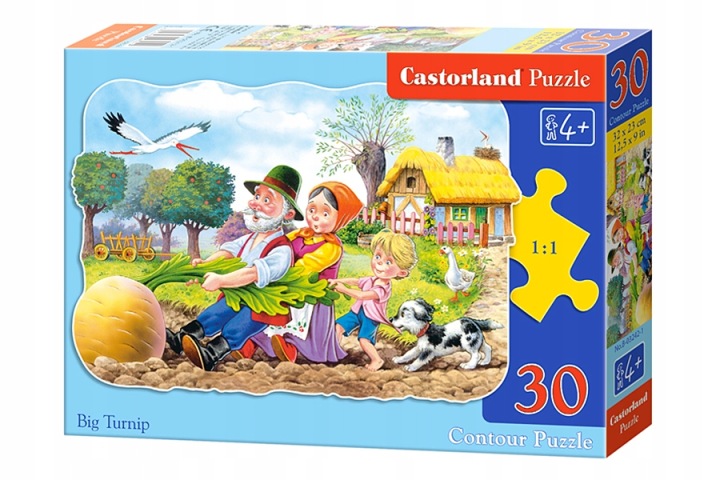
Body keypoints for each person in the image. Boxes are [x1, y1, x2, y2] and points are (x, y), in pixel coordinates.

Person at [164, 165, 303, 371]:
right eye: (257, 196)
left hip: (262, 306)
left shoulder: (282, 250)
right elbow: (228, 252)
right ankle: (182, 338)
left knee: (237, 327)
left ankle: (212, 354)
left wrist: (221, 280)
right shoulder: (250, 238)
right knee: (215, 313)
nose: (255, 204)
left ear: (288, 214)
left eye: (267, 200)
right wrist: (205, 266)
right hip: (238, 294)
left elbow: (253, 273)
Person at [246, 182, 364, 363]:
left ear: (340, 219)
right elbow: (278, 244)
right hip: (286, 285)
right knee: (265, 313)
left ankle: (290, 349)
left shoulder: (331, 247)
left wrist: (275, 271)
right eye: (312, 210)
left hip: (311, 295)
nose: (316, 217)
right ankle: (251, 344)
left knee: (296, 323)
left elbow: (305, 267)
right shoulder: (300, 233)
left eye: (325, 213)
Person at [331, 230, 418, 371]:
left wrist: (343, 289)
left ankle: (377, 360)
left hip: (370, 318)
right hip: (357, 311)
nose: (379, 264)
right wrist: (338, 280)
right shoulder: (373, 279)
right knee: (338, 327)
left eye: (388, 262)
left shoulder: (382, 288)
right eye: (378, 257)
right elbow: (356, 281)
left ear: (401, 272)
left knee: (364, 340)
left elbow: (362, 296)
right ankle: (333, 351)